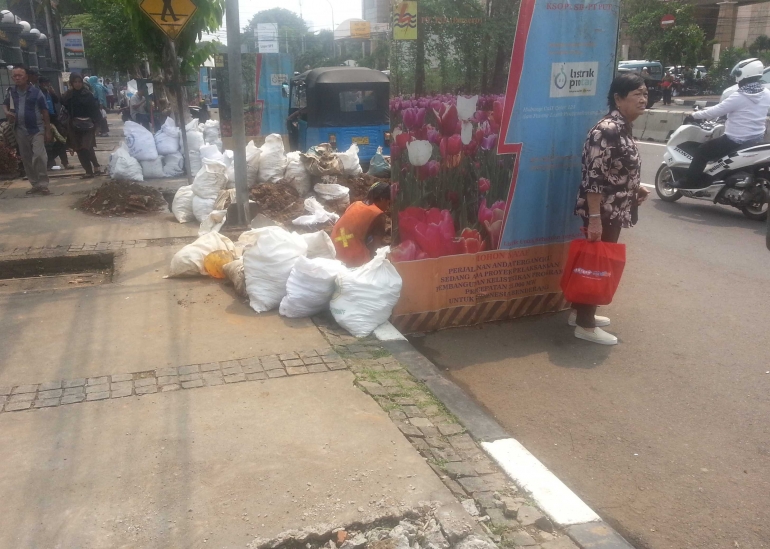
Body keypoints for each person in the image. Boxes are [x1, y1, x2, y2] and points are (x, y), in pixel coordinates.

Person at [572, 73, 650, 345]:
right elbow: (593, 179)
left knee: (595, 263)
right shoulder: (607, 129)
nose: (643, 99)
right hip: (603, 213)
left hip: (614, 209)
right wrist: (595, 220)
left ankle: (579, 313)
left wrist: (634, 188)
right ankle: (585, 325)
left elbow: (616, 170)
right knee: (597, 266)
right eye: (637, 94)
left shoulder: (623, 127)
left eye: (645, 94)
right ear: (618, 98)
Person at [676, 58, 770, 189]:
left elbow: (716, 111)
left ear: (744, 74)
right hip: (756, 140)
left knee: (702, 151)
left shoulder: (739, 96)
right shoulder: (766, 93)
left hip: (734, 140)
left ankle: (689, 181)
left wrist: (694, 115)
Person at [2, 65, 52, 195]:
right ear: (13, 78)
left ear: (26, 77)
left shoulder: (36, 92)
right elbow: (5, 104)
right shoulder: (11, 92)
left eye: (20, 76)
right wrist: (7, 112)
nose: (17, 78)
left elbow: (45, 111)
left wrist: (48, 130)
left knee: (39, 156)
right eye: (15, 76)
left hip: (36, 129)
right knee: (26, 158)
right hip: (20, 130)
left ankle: (43, 184)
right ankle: (35, 184)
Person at [331, 181, 391, 267]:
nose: (387, 207)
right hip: (352, 259)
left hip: (334, 250)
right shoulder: (378, 215)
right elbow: (375, 248)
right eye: (388, 202)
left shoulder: (356, 204)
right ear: (382, 199)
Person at [61, 72, 103, 179]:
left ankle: (95, 166)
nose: (77, 84)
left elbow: (95, 110)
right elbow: (62, 105)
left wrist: (98, 125)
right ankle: (89, 171)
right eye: (75, 82)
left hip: (88, 125)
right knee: (79, 149)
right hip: (74, 126)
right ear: (71, 83)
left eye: (79, 82)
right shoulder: (68, 95)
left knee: (86, 147)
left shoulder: (88, 95)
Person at [39, 76, 72, 170]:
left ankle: (65, 162)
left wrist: (53, 93)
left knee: (61, 139)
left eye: (48, 83)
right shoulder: (39, 94)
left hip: (54, 117)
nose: (47, 85)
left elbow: (57, 101)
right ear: (41, 84)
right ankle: (49, 161)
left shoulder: (49, 92)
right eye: (45, 83)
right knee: (48, 142)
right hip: (44, 119)